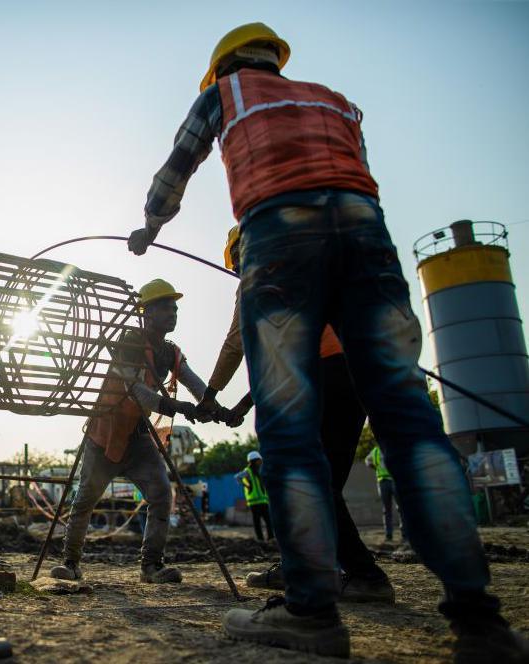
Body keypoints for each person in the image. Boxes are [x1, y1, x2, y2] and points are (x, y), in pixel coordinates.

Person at [129, 22, 528, 661]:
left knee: (289, 436)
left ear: (224, 67)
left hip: (276, 230)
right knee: (412, 424)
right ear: (277, 61)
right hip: (367, 234)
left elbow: (175, 171)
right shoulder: (336, 101)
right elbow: (352, 179)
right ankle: (481, 620)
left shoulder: (225, 94)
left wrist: (149, 226)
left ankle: (311, 609)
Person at [212, 227, 395, 603]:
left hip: (324, 375)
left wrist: (210, 394)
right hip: (356, 375)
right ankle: (301, 566)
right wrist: (243, 406)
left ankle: (364, 575)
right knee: (320, 483)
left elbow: (237, 342)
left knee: (310, 483)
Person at [50, 279, 208, 584]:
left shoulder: (170, 352)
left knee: (162, 493)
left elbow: (193, 382)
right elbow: (138, 393)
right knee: (84, 500)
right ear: (147, 313)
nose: (172, 312)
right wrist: (181, 408)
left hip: (137, 438)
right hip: (104, 435)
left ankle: (152, 566)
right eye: (165, 306)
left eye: (174, 307)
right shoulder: (129, 343)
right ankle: (70, 563)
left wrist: (213, 404)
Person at [366, 445, 407, 543]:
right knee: (387, 510)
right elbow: (367, 461)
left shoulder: (394, 446)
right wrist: (374, 467)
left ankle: (405, 533)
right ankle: (389, 534)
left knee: (401, 507)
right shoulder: (375, 450)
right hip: (382, 481)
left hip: (395, 480)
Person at [234, 451, 272, 541]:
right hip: (254, 502)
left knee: (268, 521)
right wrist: (246, 485)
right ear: (253, 461)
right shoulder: (247, 472)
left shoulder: (260, 471)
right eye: (259, 460)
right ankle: (260, 539)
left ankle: (271, 538)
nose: (261, 462)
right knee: (257, 522)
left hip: (263, 500)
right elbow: (237, 477)